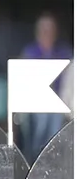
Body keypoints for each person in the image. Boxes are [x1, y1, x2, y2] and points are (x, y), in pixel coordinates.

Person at [17, 12, 72, 162]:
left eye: (50, 30)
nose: (47, 34)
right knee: (36, 141)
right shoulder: (30, 52)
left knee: (54, 140)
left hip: (57, 105)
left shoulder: (64, 52)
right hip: (35, 105)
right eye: (44, 30)